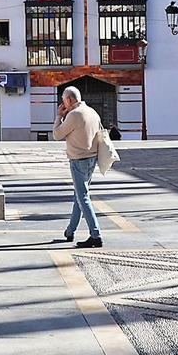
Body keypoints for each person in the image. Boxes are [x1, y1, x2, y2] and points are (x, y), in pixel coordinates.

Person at [52, 86, 104, 248]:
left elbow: (56, 135)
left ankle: (95, 234)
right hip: (91, 159)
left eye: (63, 100)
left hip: (78, 160)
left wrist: (59, 117)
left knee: (83, 197)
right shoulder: (92, 112)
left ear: (69, 99)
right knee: (79, 196)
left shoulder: (73, 115)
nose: (63, 103)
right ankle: (70, 231)